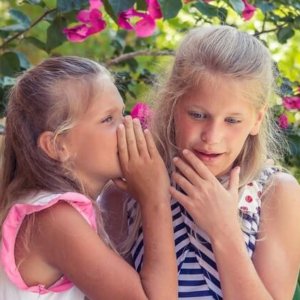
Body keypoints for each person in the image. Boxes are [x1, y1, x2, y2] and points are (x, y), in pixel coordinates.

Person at [101, 25, 300, 299]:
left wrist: (224, 231)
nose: (212, 136)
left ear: (256, 119)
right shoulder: (128, 190)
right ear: (173, 105)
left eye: (232, 120)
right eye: (197, 114)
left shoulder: (274, 193)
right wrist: (152, 200)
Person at [0, 56, 177, 300]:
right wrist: (156, 199)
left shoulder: (51, 209)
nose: (128, 125)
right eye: (108, 119)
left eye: (123, 113)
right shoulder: (54, 218)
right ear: (57, 146)